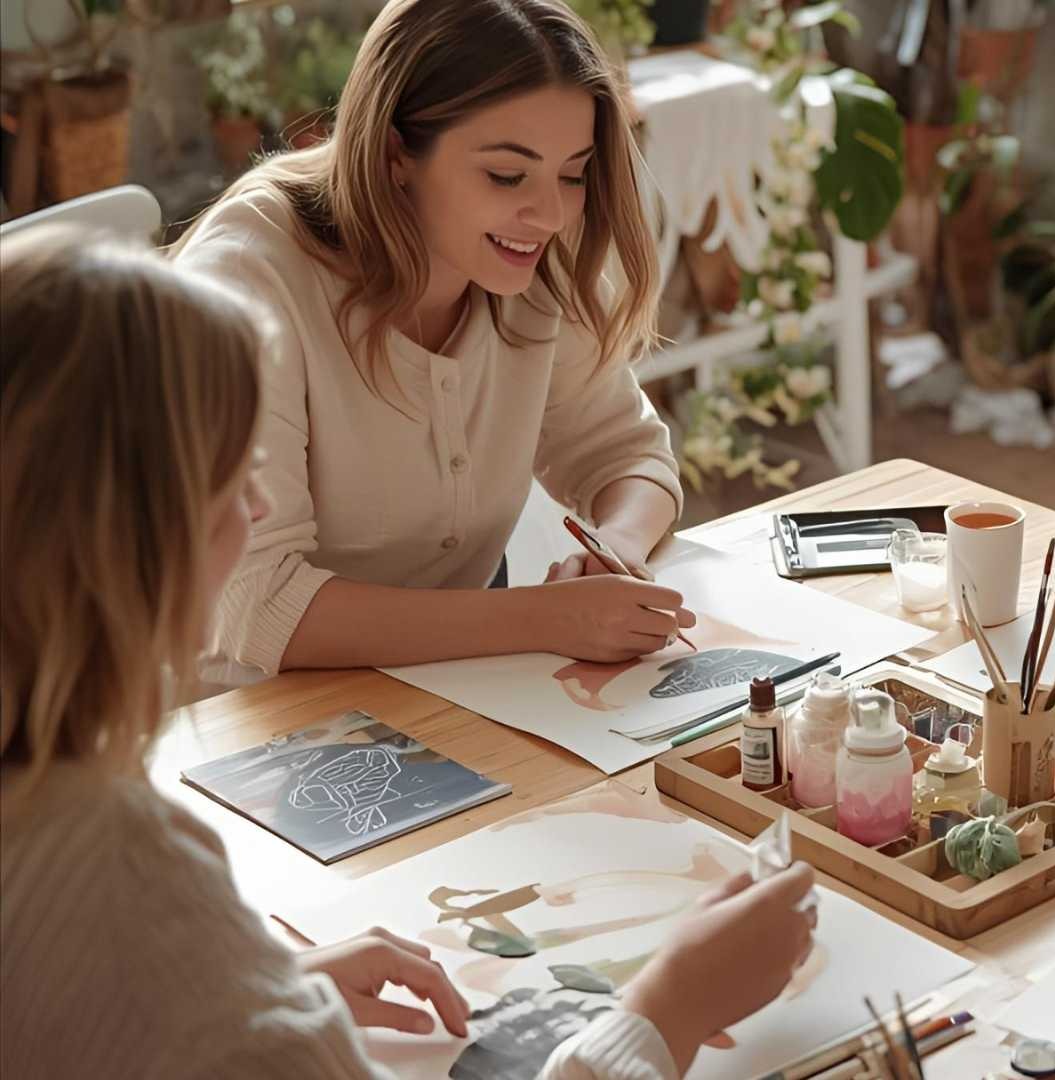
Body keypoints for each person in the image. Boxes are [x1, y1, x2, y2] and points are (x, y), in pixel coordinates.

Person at [0, 228, 816, 1079]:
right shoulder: (120, 864)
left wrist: (250, 995)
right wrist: (665, 1011)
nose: (254, 515)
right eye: (237, 484)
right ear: (133, 543)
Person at [174, 0, 694, 682]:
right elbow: (254, 605)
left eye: (573, 173)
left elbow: (627, 454)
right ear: (396, 153)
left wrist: (614, 551)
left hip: (446, 695)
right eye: (507, 175)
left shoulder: (531, 257)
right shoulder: (246, 279)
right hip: (239, 726)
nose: (550, 212)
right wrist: (550, 617)